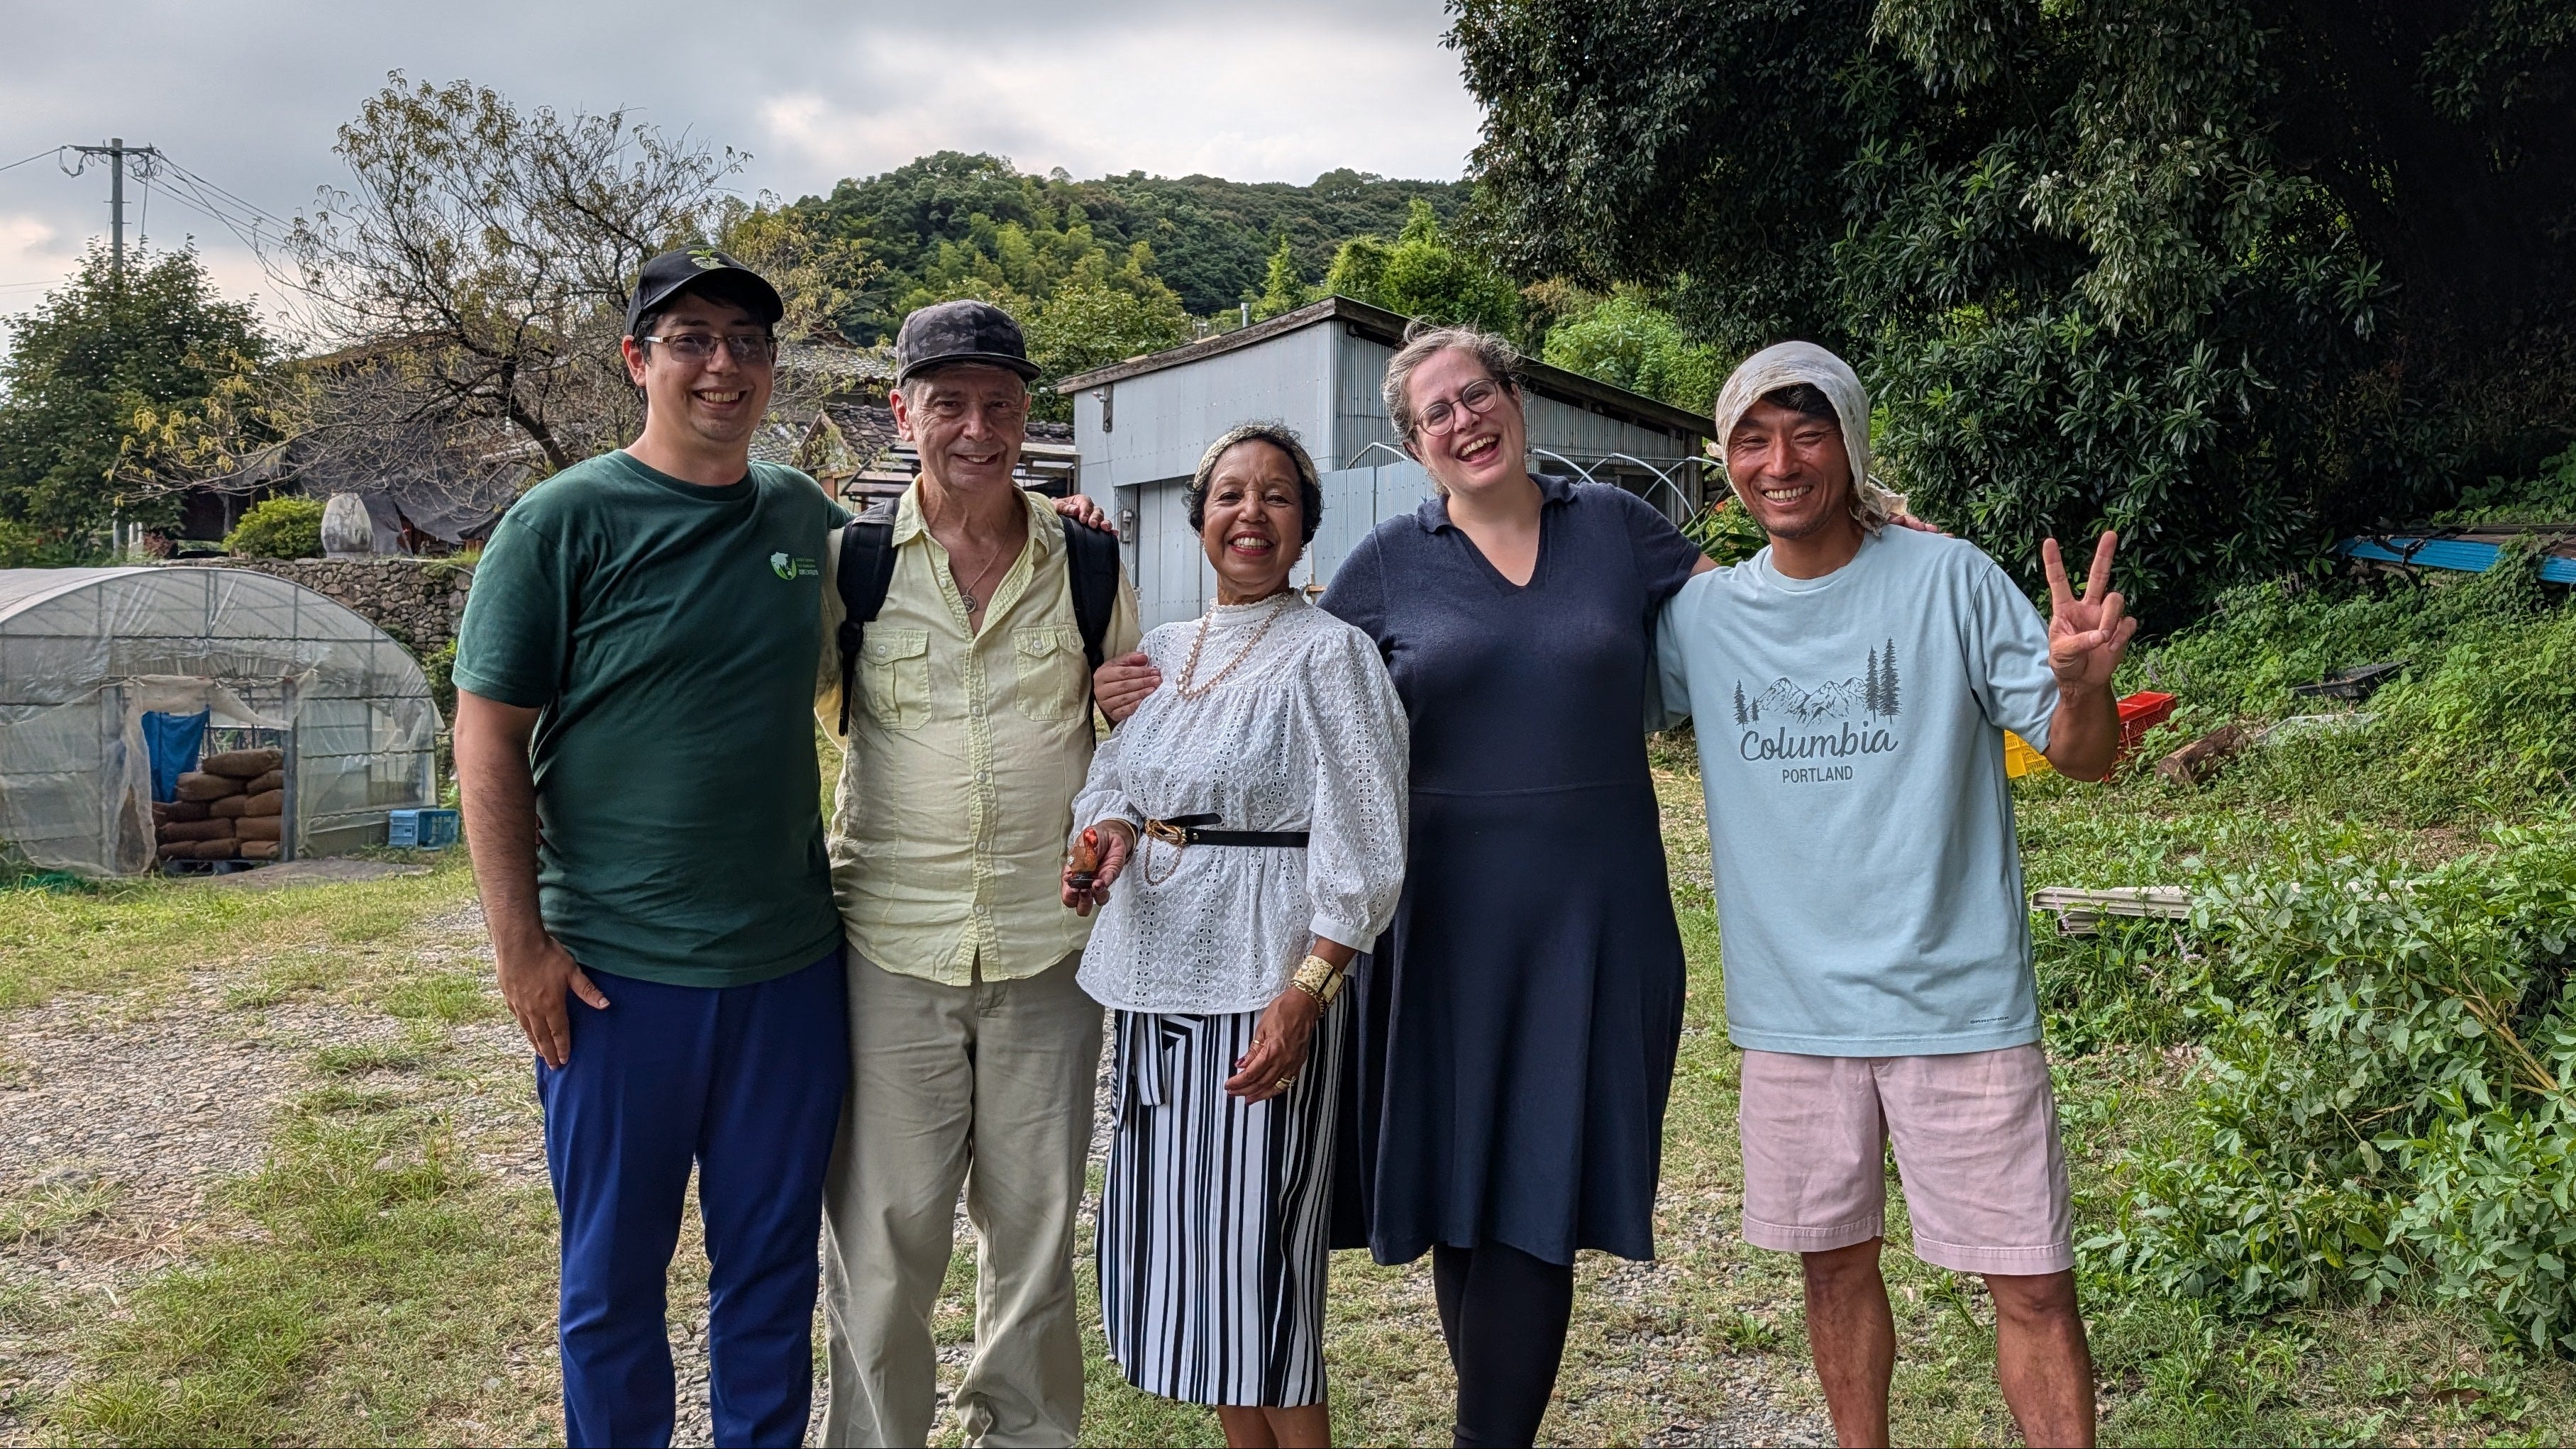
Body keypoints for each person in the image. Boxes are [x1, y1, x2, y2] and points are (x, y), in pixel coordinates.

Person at [1100, 322, 1715, 1448]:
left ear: (1514, 398)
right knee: (1466, 1195)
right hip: (1437, 923)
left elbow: (1764, 610)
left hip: (1592, 917)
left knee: (1541, 1190)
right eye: (1437, 413)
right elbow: (1276, 685)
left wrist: (1865, 539)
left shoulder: (1618, 529)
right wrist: (1139, 689)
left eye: (1477, 395)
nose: (1464, 421)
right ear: (1415, 444)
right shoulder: (1387, 563)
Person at [1654, 341, 2132, 1448]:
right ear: (1726, 460)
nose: (1781, 463)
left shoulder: (1949, 580)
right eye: (1753, 440)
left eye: (1807, 433)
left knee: (2033, 1285)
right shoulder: (1703, 619)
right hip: (1793, 1016)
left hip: (1958, 1001)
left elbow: (2085, 756)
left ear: (1853, 444)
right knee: (1832, 1270)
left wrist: (2082, 689)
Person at [451, 247, 849, 1448]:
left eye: (748, 343)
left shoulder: (801, 515)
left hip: (788, 968)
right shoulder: (561, 521)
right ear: (638, 360)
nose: (724, 365)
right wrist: (520, 947)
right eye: (692, 341)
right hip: (616, 978)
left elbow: (935, 562)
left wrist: (1058, 525)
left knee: (771, 1272)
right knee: (614, 1282)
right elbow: (486, 738)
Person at [815, 299, 1141, 1449]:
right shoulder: (849, 565)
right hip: (887, 947)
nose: (976, 428)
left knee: (1038, 1238)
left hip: (1049, 951)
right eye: (947, 402)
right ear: (903, 414)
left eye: (999, 405)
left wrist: (1120, 817)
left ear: (1025, 415)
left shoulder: (1089, 558)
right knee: (881, 1242)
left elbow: (1137, 742)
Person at [1064, 423, 1409, 1449]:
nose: (1251, 513)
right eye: (1229, 495)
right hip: (1156, 983)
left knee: (1263, 1270)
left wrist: (1309, 990)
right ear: (1199, 518)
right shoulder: (1166, 653)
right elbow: (1120, 783)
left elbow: (1369, 842)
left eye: (1276, 496)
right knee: (1199, 1265)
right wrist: (1108, 837)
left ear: (1306, 525)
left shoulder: (1332, 655)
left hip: (1262, 988)